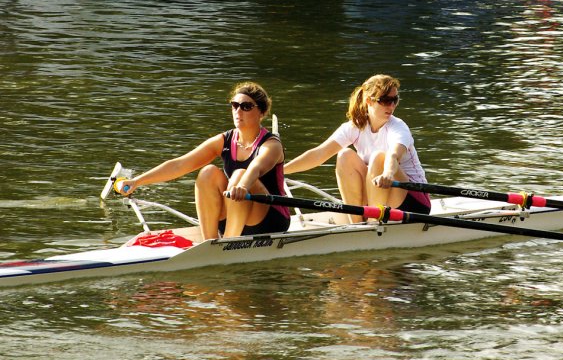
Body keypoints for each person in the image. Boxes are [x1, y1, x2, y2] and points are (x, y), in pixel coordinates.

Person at [116, 81, 291, 240]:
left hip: (269, 219)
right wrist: (137, 181)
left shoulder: (271, 145)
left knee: (239, 174)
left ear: (261, 112)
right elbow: (180, 164)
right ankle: (211, 243)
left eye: (245, 106)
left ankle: (228, 244)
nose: (238, 111)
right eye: (235, 105)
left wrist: (242, 185)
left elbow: (256, 168)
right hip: (235, 214)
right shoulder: (225, 140)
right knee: (207, 173)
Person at [284, 74, 430, 222]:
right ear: (369, 101)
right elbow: (319, 154)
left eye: (395, 100)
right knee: (344, 156)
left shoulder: (398, 127)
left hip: (414, 200)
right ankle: (357, 223)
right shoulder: (354, 127)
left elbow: (393, 155)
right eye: (385, 101)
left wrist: (387, 173)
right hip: (380, 196)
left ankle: (374, 225)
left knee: (379, 157)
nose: (391, 106)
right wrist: (280, 171)